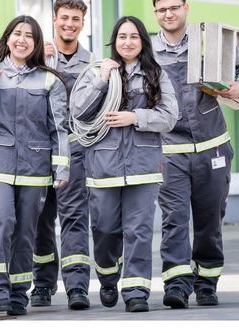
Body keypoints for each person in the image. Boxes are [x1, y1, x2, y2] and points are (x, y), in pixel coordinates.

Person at [151, 0, 239, 308]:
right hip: (169, 152)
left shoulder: (207, 41)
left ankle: (207, 282)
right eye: (161, 9)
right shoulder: (148, 50)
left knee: (209, 220)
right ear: (155, 14)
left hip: (212, 148)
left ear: (186, 8)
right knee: (174, 219)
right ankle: (176, 284)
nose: (168, 14)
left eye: (174, 7)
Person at [70, 16, 178, 313]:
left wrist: (136, 117)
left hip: (143, 167)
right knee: (105, 229)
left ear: (142, 41)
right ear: (114, 41)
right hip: (104, 167)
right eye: (122, 37)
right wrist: (101, 80)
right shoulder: (98, 72)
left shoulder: (157, 75)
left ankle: (136, 291)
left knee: (139, 230)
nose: (127, 42)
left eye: (133, 36)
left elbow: (170, 116)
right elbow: (78, 111)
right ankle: (107, 275)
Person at [0, 15, 70, 316]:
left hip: (34, 168)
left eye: (29, 36)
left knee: (26, 232)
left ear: (36, 44)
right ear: (7, 38)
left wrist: (61, 168)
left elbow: (58, 129)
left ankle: (18, 292)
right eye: (16, 34)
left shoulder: (49, 80)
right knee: (1, 219)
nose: (22, 40)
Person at [30, 0, 94, 310]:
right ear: (54, 19)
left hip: (76, 149)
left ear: (83, 23)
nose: (69, 24)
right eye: (64, 17)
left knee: (75, 217)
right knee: (40, 219)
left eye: (76, 19)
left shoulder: (93, 63)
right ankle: (42, 285)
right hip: (40, 148)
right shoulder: (36, 55)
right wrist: (37, 59)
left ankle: (77, 286)